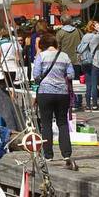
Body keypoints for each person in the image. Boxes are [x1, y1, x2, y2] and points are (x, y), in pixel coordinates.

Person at [32, 33, 76, 170]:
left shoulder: (41, 56)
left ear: (43, 45)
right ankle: (66, 153)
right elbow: (71, 74)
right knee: (62, 123)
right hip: (62, 93)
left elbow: (35, 75)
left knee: (46, 123)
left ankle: (48, 154)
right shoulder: (64, 56)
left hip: (45, 92)